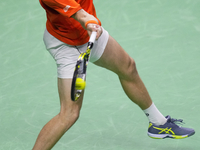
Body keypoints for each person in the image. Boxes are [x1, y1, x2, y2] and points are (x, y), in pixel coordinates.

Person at [33, 0, 195, 149]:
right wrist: (89, 21)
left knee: (128, 67)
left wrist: (91, 24)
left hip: (91, 35)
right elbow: (81, 15)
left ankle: (158, 123)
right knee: (69, 114)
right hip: (66, 45)